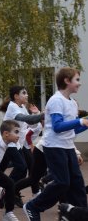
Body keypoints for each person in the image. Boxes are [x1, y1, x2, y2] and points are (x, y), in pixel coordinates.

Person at [23, 67, 88, 221]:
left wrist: (85, 124)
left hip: (67, 147)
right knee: (62, 182)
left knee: (77, 184)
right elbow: (58, 127)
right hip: (54, 147)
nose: (79, 84)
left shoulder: (72, 103)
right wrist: (80, 120)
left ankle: (78, 215)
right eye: (77, 80)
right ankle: (33, 206)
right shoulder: (56, 100)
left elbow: (72, 130)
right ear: (66, 80)